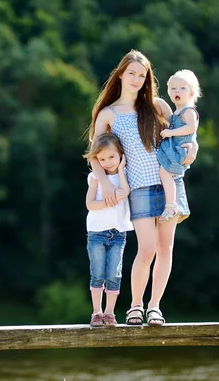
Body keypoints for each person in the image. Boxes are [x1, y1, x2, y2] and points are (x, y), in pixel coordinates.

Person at [86, 49, 198, 326]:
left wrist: (193, 147)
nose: (137, 79)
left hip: (169, 184)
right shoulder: (108, 114)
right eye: (132, 73)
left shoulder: (158, 106)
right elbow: (95, 156)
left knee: (165, 248)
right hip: (139, 188)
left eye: (142, 75)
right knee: (146, 248)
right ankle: (135, 306)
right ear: (121, 74)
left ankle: (155, 307)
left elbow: (180, 136)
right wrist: (103, 183)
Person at [83, 133, 134, 327]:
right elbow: (89, 204)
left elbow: (126, 191)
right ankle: (97, 312)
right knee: (97, 272)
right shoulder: (95, 177)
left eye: (111, 157)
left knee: (114, 273)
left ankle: (110, 313)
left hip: (118, 233)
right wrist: (107, 201)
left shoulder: (126, 174)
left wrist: (121, 171)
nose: (107, 162)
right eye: (102, 159)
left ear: (120, 154)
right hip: (97, 232)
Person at [157, 70, 201, 223]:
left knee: (165, 173)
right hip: (173, 148)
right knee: (166, 173)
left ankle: (172, 205)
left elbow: (190, 128)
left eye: (182, 88)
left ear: (191, 93)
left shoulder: (188, 111)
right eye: (173, 88)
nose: (177, 91)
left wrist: (170, 132)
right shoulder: (177, 111)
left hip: (179, 150)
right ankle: (174, 204)